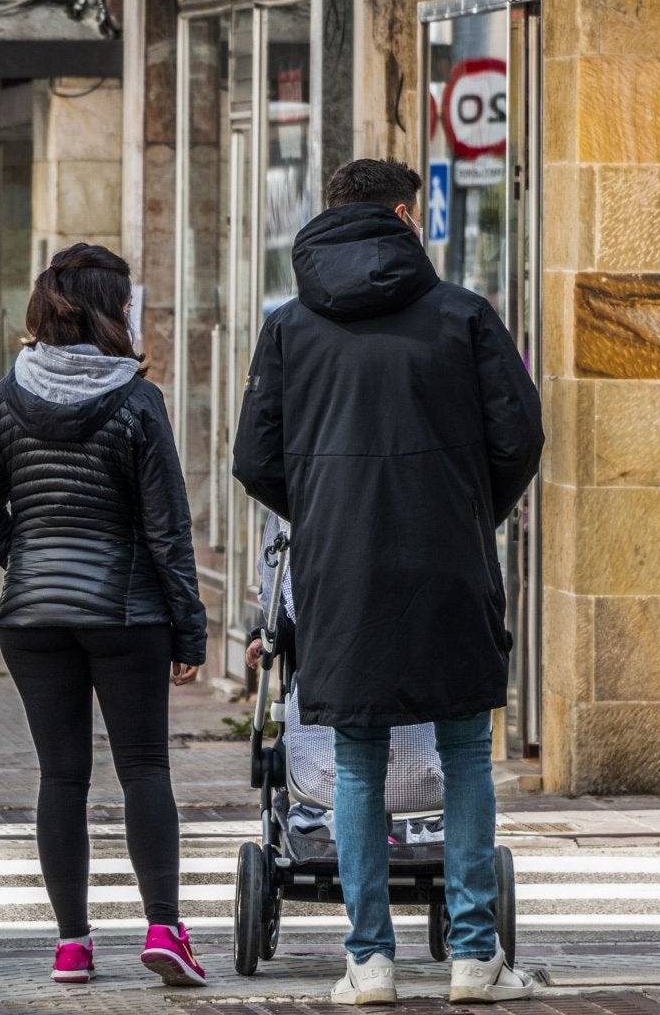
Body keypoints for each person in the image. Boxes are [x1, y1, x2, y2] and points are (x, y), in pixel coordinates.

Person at [232, 159, 544, 1007]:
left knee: (357, 758)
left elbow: (253, 459)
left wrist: (329, 506)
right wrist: (471, 506)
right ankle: (475, 958)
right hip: (450, 562)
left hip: (341, 571)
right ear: (408, 216)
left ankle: (368, 961)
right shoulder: (465, 317)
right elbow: (521, 435)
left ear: (330, 215)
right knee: (465, 754)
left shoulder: (289, 328)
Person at [0, 244, 210, 989]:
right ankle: (164, 927)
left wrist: (32, 560)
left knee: (60, 778)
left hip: (31, 617)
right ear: (113, 311)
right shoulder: (137, 401)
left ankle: (72, 945)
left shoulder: (7, 396)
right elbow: (168, 528)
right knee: (143, 768)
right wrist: (189, 628)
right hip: (127, 613)